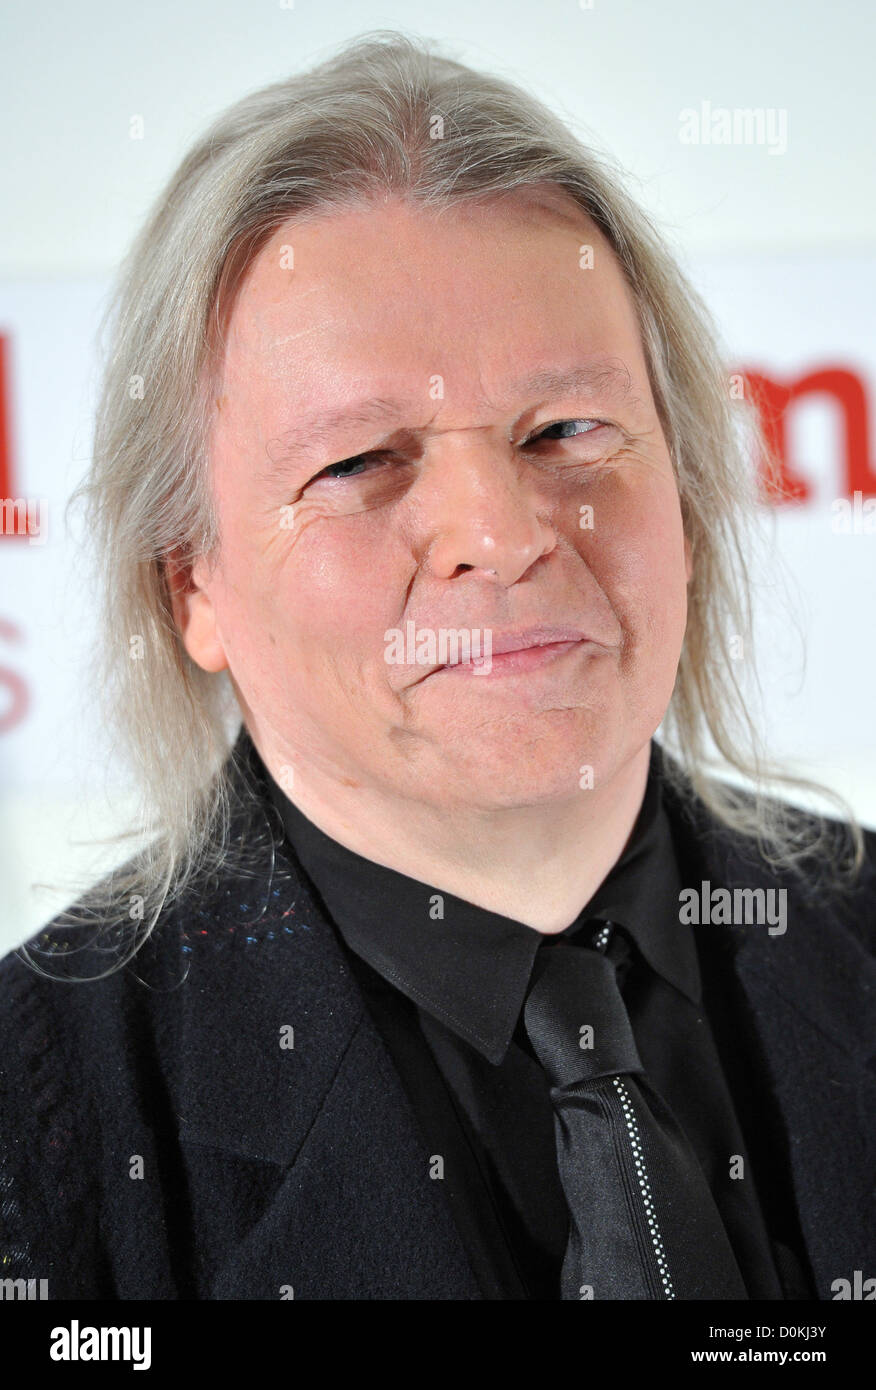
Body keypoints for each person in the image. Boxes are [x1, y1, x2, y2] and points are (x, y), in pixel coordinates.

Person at [1, 30, 873, 1302]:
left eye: (567, 429)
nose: (506, 536)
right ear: (195, 584)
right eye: (360, 462)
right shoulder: (36, 1134)